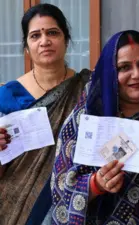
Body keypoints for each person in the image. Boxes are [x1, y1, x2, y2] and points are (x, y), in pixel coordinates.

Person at [51, 30, 139, 225]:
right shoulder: (85, 118)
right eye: (124, 67)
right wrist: (96, 184)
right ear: (109, 72)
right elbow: (61, 190)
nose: (137, 74)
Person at [0, 4, 90, 225]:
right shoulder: (8, 95)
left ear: (66, 40)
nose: (45, 41)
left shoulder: (88, 89)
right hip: (15, 206)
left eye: (52, 32)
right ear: (27, 47)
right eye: (35, 35)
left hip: (75, 202)